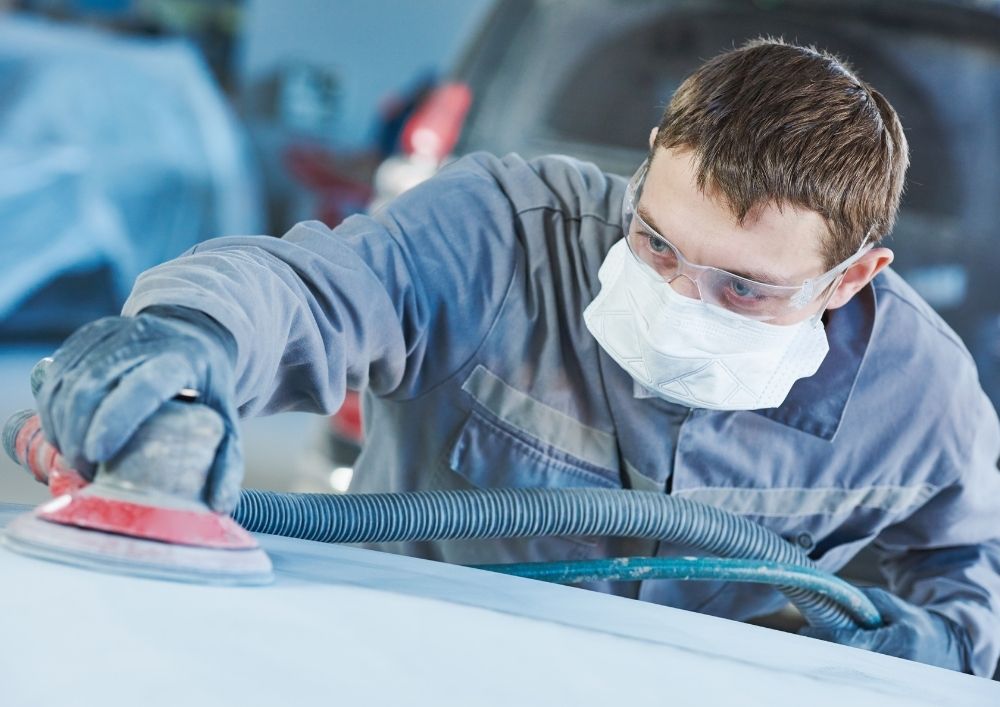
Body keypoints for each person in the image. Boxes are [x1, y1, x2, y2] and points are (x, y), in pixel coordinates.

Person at [36, 39, 1000, 676]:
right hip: (386, 668)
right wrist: (185, 340)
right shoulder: (504, 231)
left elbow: (967, 591)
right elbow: (309, 291)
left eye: (743, 288)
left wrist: (859, 644)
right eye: (656, 241)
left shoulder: (921, 401)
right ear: (653, 157)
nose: (673, 300)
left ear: (850, 279)